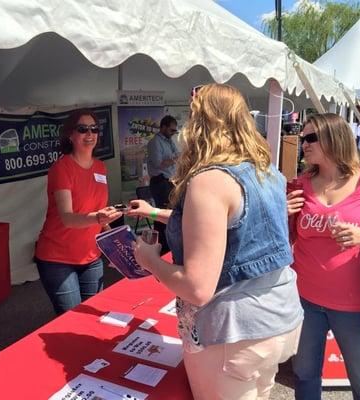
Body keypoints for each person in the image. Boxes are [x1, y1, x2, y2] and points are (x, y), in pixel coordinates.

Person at [129, 84, 303, 400]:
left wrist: (149, 260)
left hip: (235, 333)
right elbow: (220, 226)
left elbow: (197, 287)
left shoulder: (208, 180)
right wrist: (154, 211)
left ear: (200, 124)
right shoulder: (266, 171)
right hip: (279, 318)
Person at [287, 113, 360, 399]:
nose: (303, 144)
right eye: (302, 137)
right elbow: (286, 240)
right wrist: (282, 216)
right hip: (305, 301)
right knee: (304, 377)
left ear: (334, 138)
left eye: (310, 137)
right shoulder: (299, 186)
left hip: (356, 307)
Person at [34, 109, 121, 315]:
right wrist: (99, 216)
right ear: (70, 135)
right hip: (57, 259)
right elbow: (68, 218)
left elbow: (98, 215)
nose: (89, 134)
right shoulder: (61, 168)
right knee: (72, 319)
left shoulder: (100, 167)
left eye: (94, 129)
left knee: (94, 316)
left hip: (91, 257)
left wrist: (117, 249)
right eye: (82, 129)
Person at [146, 115, 179, 254]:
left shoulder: (169, 141)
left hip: (170, 181)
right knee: (161, 214)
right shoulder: (155, 142)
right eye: (171, 130)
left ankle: (168, 245)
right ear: (163, 127)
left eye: (174, 131)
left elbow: (178, 154)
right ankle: (162, 247)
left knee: (170, 213)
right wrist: (174, 159)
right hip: (160, 181)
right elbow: (158, 163)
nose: (173, 133)